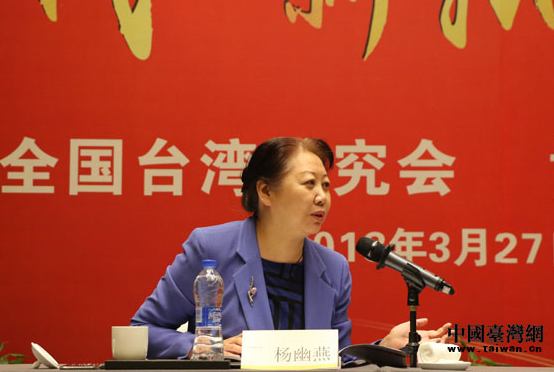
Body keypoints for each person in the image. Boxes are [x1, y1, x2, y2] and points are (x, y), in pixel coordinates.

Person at [131, 137, 450, 359]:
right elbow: (143, 331)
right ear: (265, 191)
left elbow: (336, 359)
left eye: (326, 185)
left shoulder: (334, 268)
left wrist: (384, 347)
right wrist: (202, 347)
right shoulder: (211, 247)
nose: (322, 196)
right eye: (309, 183)